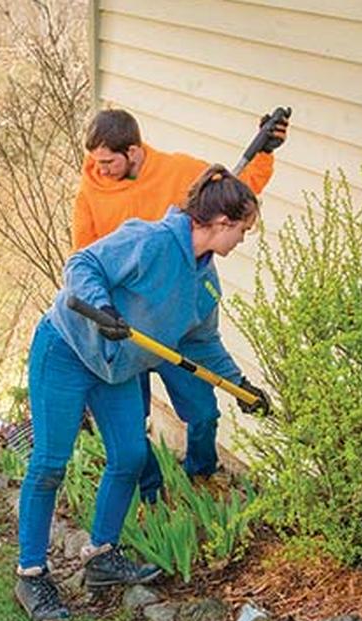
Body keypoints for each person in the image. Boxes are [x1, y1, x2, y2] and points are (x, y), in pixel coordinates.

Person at [16, 165, 271, 621]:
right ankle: (31, 574)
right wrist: (104, 308)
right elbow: (83, 264)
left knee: (130, 456)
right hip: (68, 348)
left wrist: (240, 385)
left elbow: (201, 341)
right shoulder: (151, 241)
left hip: (116, 371)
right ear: (220, 224)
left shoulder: (205, 281)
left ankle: (100, 557)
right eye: (243, 230)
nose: (243, 240)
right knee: (51, 463)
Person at [72, 108, 288, 496]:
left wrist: (266, 152)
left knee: (203, 412)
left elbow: (234, 198)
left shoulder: (178, 173)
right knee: (129, 426)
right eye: (96, 162)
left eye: (108, 162)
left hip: (177, 323)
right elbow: (84, 258)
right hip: (126, 327)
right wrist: (101, 314)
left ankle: (201, 476)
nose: (100, 170)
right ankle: (151, 494)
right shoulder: (92, 193)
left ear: (133, 151)